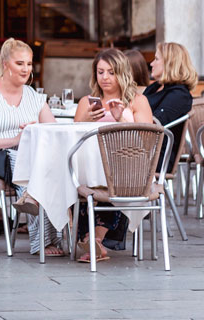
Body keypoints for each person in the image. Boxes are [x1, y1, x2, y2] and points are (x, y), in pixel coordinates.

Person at [0, 38, 58, 255]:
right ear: (5, 64)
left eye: (29, 64)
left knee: (56, 167)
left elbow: (52, 130)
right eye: (20, 63)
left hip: (27, 157)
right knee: (34, 169)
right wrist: (15, 140)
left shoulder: (34, 97)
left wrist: (35, 130)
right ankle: (41, 240)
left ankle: (61, 234)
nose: (26, 69)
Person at [71, 47, 154, 262]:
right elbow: (74, 137)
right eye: (100, 72)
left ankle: (94, 240)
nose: (105, 77)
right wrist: (86, 120)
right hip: (89, 165)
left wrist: (122, 120)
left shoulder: (137, 101)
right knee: (80, 173)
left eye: (111, 72)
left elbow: (147, 139)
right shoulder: (86, 102)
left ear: (122, 73)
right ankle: (91, 240)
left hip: (127, 166)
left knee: (110, 174)